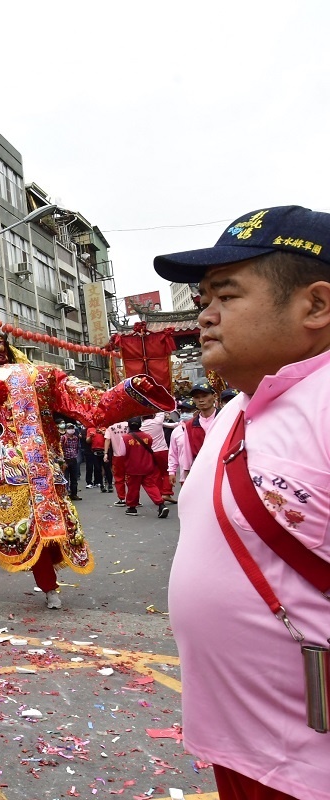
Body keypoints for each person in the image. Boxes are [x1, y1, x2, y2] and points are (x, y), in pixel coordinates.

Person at [155, 205, 330, 799]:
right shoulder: (236, 409)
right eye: (203, 298)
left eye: (225, 295)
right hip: (248, 751)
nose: (204, 316)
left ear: (316, 305)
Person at [0, 329, 172, 609]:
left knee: (39, 533)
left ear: (8, 346)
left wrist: (129, 391)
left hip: (30, 473)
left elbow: (86, 402)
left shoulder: (37, 376)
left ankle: (49, 588)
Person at [168, 380, 219, 490]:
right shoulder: (190, 425)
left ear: (214, 396)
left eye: (205, 396)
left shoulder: (225, 418)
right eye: (197, 397)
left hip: (223, 468)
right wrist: (186, 475)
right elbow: (187, 453)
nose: (201, 400)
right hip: (201, 470)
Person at [120, 418, 169, 518]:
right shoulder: (148, 437)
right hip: (147, 466)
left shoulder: (124, 438)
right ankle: (161, 504)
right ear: (140, 425)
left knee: (133, 488)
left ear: (128, 425)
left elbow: (122, 453)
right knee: (151, 486)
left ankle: (132, 507)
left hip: (132, 467)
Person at [139, 412, 177, 502]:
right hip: (161, 450)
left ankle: (160, 492)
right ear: (152, 415)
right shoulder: (157, 422)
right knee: (167, 471)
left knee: (156, 473)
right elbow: (161, 411)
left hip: (149, 452)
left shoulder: (141, 427)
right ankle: (167, 492)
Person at [104, 420, 129, 505]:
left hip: (117, 456)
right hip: (129, 455)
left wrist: (105, 453)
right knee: (132, 478)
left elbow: (107, 440)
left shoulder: (110, 427)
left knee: (119, 478)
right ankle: (134, 499)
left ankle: (122, 499)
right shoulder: (128, 424)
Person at [60, 424, 83, 501]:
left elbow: (76, 448)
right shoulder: (63, 438)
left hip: (73, 459)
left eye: (72, 428)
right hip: (65, 460)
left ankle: (74, 494)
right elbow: (60, 449)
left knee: (74, 478)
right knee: (65, 478)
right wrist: (62, 461)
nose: (71, 430)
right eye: (69, 428)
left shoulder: (76, 438)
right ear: (66, 429)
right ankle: (65, 495)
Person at [85, 425, 109, 493]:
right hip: (94, 450)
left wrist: (102, 432)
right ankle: (92, 482)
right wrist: (91, 436)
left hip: (104, 450)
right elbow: (87, 441)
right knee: (94, 467)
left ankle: (104, 482)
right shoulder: (90, 429)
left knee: (105, 468)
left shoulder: (105, 428)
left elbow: (108, 438)